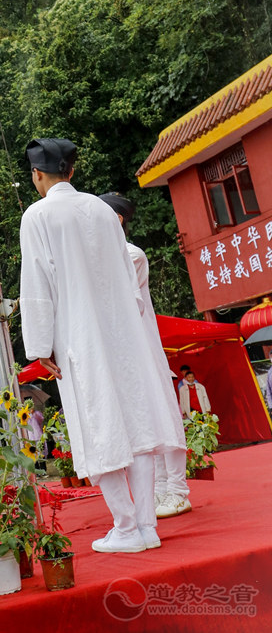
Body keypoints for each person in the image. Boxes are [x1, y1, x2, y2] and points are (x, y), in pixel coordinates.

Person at [19, 139, 185, 554]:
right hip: (121, 333)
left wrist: (40, 345)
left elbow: (37, 285)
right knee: (137, 426)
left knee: (100, 428)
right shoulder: (101, 211)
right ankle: (146, 525)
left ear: (38, 175)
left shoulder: (37, 216)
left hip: (79, 337)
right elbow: (127, 282)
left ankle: (127, 527)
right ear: (71, 172)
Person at [99, 193, 191, 519]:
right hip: (124, 353)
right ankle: (159, 490)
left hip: (142, 348)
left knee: (162, 414)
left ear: (117, 220)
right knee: (145, 423)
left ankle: (178, 490)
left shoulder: (130, 254)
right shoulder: (106, 256)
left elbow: (124, 303)